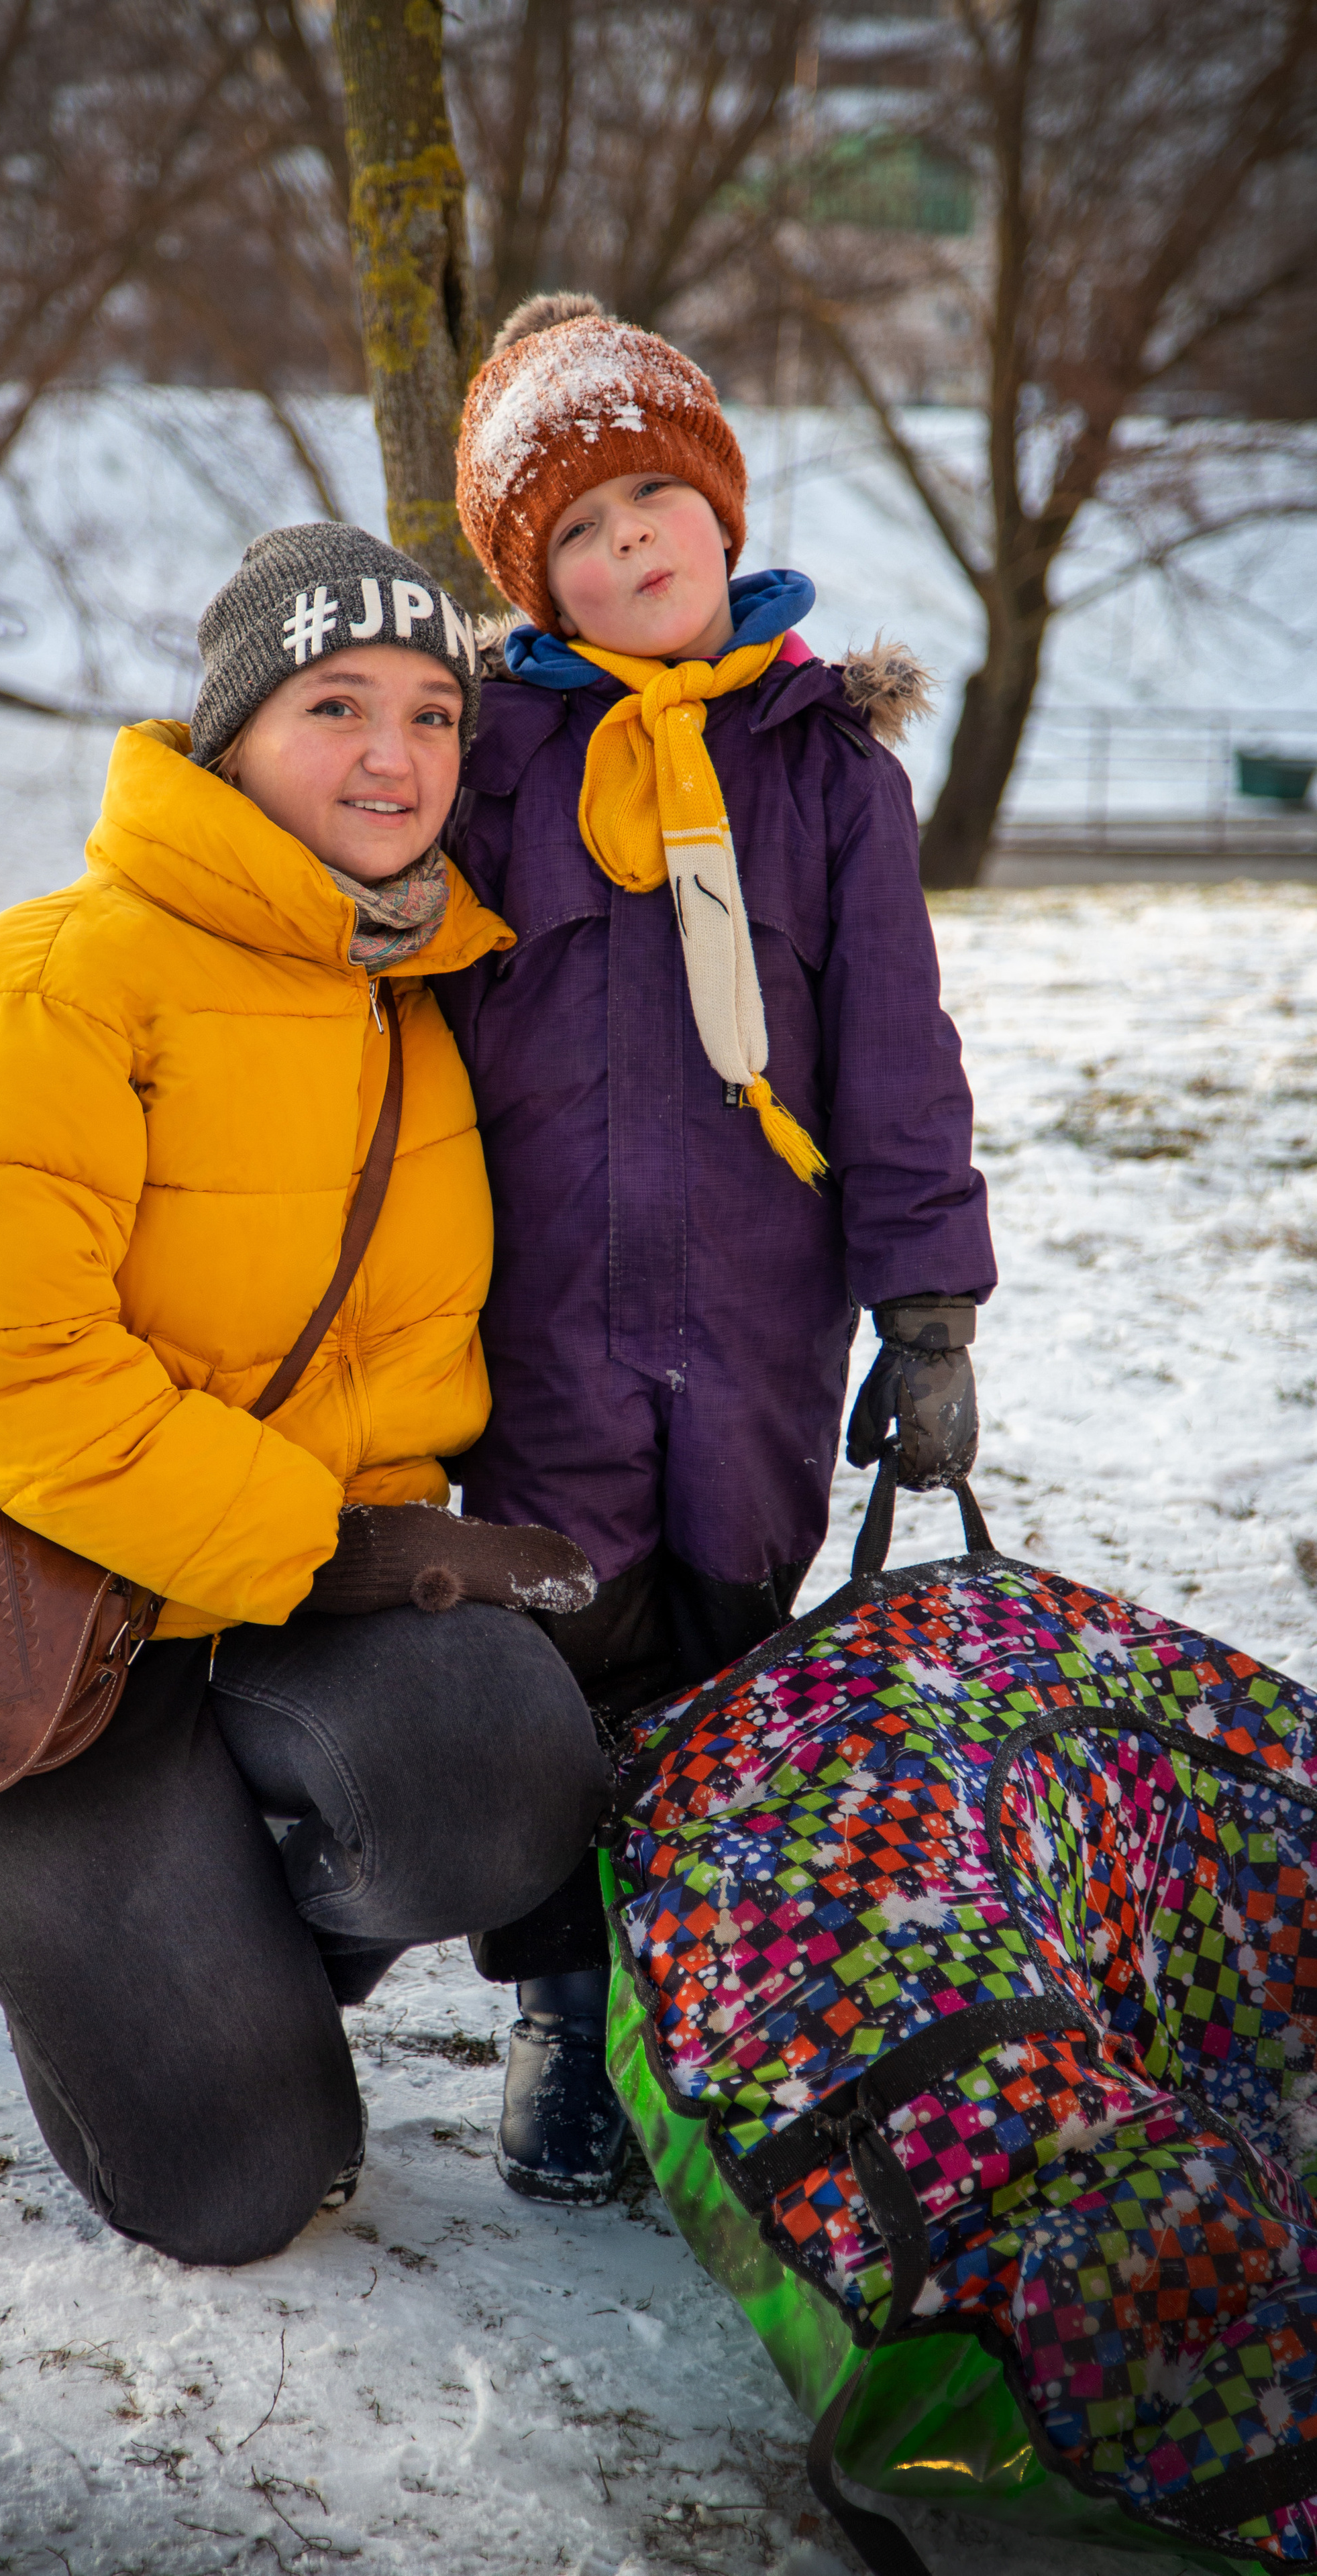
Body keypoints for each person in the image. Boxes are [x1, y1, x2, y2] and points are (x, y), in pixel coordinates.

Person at [0, 521, 611, 2269]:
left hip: (270, 1589)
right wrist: (334, 1552)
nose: (395, 756)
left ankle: (155, 1918)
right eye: (336, 705)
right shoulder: (58, 980)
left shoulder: (428, 997)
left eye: (434, 715)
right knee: (240, 2191)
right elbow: (4, 1373)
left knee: (507, 1760)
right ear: (231, 734)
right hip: (41, 1612)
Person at [440, 293, 998, 2202]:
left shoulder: (827, 763)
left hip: (766, 1315)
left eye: (654, 500)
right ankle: (567, 1994)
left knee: (737, 1635)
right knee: (557, 1635)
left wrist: (928, 1311)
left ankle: (728, 1978)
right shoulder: (494, 759)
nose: (629, 550)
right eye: (577, 535)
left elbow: (900, 1058)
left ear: (724, 508)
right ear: (538, 579)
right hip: (546, 1320)